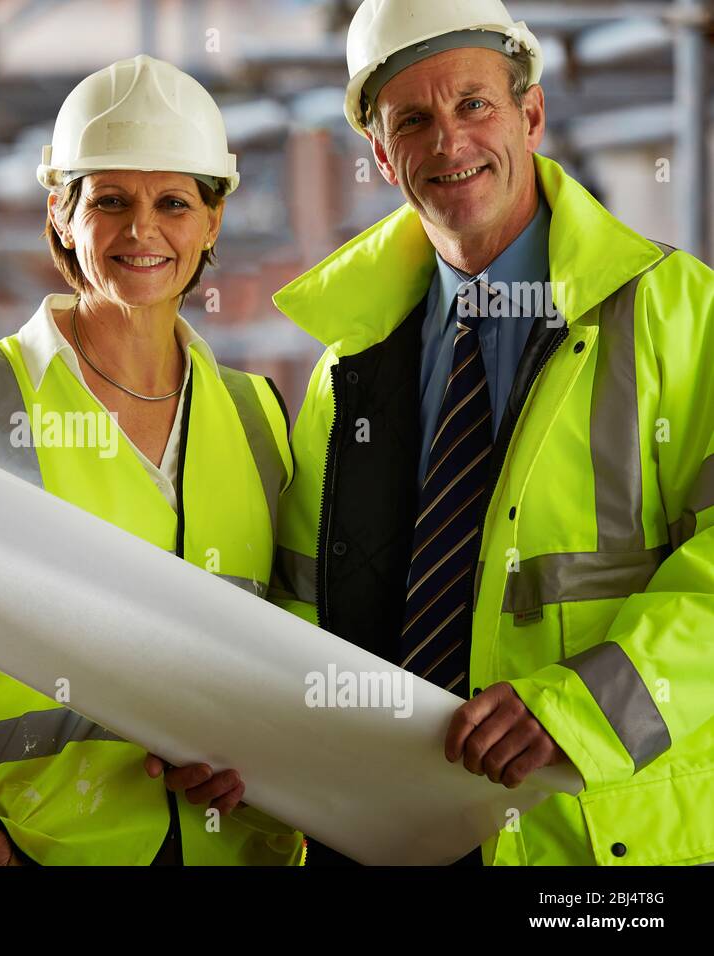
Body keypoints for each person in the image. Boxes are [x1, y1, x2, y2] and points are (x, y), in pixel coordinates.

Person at [270, 0, 714, 865]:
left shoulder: (677, 313)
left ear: (532, 115)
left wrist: (575, 710)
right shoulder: (349, 367)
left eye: (474, 105)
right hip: (395, 833)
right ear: (380, 153)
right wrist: (251, 750)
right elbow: (300, 608)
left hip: (599, 845)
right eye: (412, 121)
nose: (449, 143)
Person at [0, 54, 303, 866]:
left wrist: (265, 762)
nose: (142, 231)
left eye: (173, 202)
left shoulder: (257, 418)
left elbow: (289, 651)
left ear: (212, 222)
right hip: (34, 848)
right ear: (60, 212)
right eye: (111, 201)